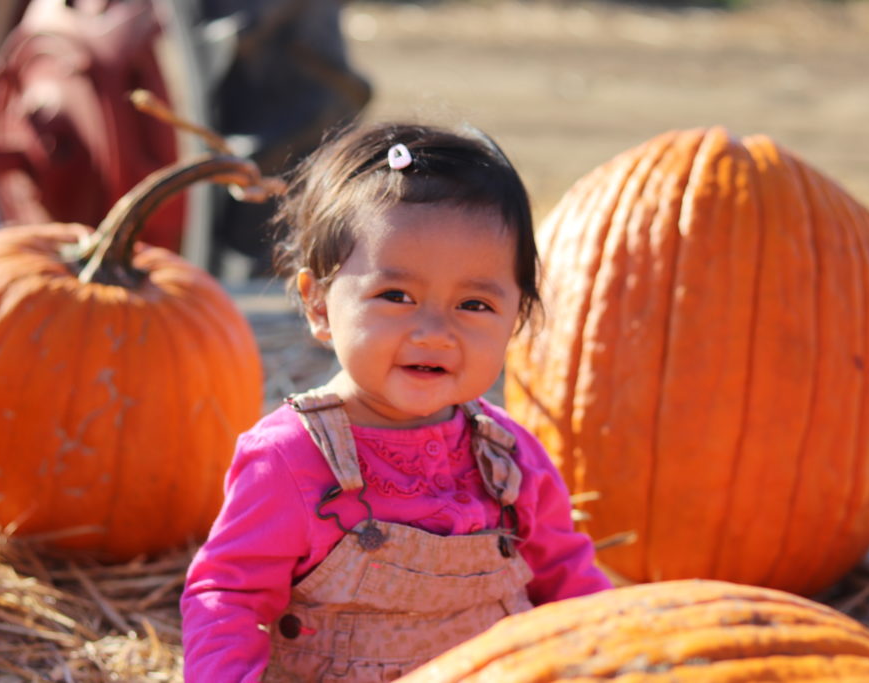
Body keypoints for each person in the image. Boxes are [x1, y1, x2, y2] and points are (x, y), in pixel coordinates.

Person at [181, 121, 612, 682]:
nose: (435, 331)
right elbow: (230, 598)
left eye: (475, 305)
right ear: (318, 304)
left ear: (518, 319)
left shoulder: (510, 458)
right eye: (396, 296)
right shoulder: (290, 459)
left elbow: (571, 586)